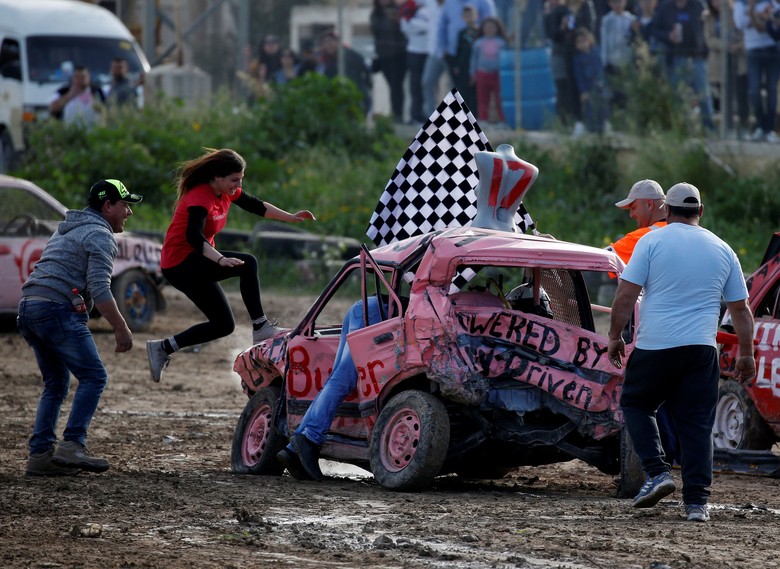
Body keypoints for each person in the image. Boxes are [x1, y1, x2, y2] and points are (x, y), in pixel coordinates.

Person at [607, 182, 755, 523]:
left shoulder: (651, 241)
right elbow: (741, 310)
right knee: (697, 425)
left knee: (636, 403)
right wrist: (746, 354)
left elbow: (625, 296)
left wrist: (615, 336)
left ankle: (658, 473)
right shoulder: (723, 249)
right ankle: (697, 505)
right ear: (700, 211)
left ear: (666, 210)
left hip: (655, 347)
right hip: (701, 351)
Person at [146, 148, 315, 384]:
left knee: (223, 325)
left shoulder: (227, 192)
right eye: (234, 180)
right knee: (248, 264)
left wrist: (292, 217)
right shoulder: (199, 197)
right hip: (180, 263)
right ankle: (261, 327)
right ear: (217, 177)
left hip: (197, 261)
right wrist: (220, 260)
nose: (238, 185)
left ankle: (163, 348)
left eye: (241, 180)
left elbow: (256, 205)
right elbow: (194, 238)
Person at [18, 179, 142, 476]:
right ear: (107, 206)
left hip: (29, 307)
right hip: (55, 310)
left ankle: (40, 457)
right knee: (94, 376)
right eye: (125, 205)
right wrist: (122, 328)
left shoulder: (67, 230)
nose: (129, 213)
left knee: (56, 384)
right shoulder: (101, 235)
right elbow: (100, 289)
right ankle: (73, 443)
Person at [277, 296, 386, 481]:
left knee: (339, 379)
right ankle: (310, 438)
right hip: (377, 313)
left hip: (369, 307)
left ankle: (294, 448)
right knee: (343, 380)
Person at [653, 0, 716, 133]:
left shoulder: (698, 5)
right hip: (676, 58)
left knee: (703, 95)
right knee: (677, 96)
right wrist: (668, 35)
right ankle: (679, 130)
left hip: (697, 58)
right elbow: (656, 30)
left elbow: (708, 25)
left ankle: (710, 131)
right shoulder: (666, 8)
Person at [733, 0, 780, 143]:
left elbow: (774, 22)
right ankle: (759, 126)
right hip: (753, 50)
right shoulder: (740, 4)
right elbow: (740, 23)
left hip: (772, 50)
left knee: (772, 89)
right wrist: (756, 13)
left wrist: (759, 18)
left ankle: (770, 129)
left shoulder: (771, 2)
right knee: (754, 89)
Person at [607, 179, 667, 265]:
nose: (631, 215)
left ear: (649, 204)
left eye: (633, 208)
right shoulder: (683, 229)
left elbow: (597, 259)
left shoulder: (643, 237)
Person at [371, 0, 409, 123]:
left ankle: (398, 114)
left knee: (397, 85)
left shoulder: (399, 11)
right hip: (384, 55)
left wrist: (396, 19)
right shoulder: (376, 14)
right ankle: (395, 113)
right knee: (392, 85)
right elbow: (376, 32)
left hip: (399, 55)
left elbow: (404, 29)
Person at [319, 31, 373, 114]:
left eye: (330, 41)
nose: (328, 45)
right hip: (340, 103)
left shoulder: (350, 55)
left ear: (337, 42)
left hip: (358, 97)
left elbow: (365, 69)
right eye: (325, 43)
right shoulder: (326, 62)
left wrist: (367, 85)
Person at [470, 16, 509, 125]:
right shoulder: (478, 43)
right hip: (482, 73)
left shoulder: (501, 43)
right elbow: (474, 59)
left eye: (492, 27)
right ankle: (483, 119)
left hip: (497, 74)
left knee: (499, 98)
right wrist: (473, 73)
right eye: (487, 27)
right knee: (482, 98)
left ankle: (502, 120)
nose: (490, 29)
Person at [600, 0, 636, 113]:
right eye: (614, 2)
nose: (617, 5)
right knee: (612, 91)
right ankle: (614, 116)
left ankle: (626, 114)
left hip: (626, 61)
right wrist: (604, 61)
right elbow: (604, 41)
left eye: (620, 2)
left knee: (626, 90)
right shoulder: (606, 20)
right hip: (612, 61)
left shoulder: (631, 19)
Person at [400, 0, 431, 122]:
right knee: (415, 84)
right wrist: (418, 25)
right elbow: (405, 27)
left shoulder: (431, 5)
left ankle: (429, 112)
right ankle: (415, 113)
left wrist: (416, 25)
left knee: (428, 83)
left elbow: (432, 25)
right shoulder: (408, 6)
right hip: (414, 50)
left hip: (429, 50)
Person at [573, 27, 607, 133]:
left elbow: (601, 69)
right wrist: (583, 91)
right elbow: (578, 76)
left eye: (584, 40)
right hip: (588, 88)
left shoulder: (596, 53)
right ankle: (591, 131)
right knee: (590, 110)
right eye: (579, 42)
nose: (582, 44)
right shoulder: (578, 59)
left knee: (602, 108)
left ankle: (602, 129)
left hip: (600, 86)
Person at [453, 4, 480, 112]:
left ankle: (475, 114)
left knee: (475, 92)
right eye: (466, 15)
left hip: (476, 66)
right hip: (464, 67)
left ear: (476, 16)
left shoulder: (479, 32)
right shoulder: (461, 33)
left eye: (471, 15)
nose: (469, 18)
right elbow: (458, 51)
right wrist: (457, 65)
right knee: (463, 91)